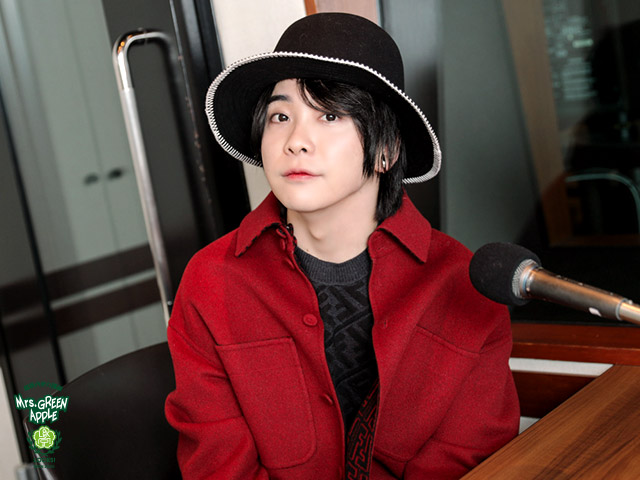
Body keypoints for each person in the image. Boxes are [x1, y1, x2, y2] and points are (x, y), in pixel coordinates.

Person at [165, 12, 519, 480]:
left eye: (330, 115)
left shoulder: (463, 280)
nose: (296, 141)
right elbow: (218, 464)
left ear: (387, 150)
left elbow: (471, 458)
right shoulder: (211, 280)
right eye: (280, 116)